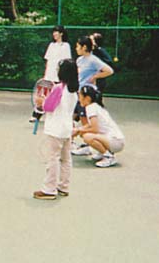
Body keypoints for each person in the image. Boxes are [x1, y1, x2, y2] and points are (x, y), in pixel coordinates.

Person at [33, 59, 79, 200]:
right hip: (67, 129)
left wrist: (41, 102)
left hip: (55, 129)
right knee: (66, 159)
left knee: (52, 158)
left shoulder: (59, 88)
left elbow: (48, 107)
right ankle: (63, 186)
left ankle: (49, 189)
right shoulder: (74, 91)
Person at [71, 36, 114, 156]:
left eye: (78, 46)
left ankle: (95, 147)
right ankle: (81, 144)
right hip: (79, 94)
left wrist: (95, 77)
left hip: (88, 96)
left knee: (87, 123)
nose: (76, 48)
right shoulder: (79, 60)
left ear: (84, 47)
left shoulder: (93, 60)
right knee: (72, 117)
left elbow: (109, 71)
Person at [72, 85, 125, 168]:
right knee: (84, 134)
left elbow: (94, 129)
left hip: (116, 142)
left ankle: (108, 157)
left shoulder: (91, 108)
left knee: (87, 136)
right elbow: (91, 125)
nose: (79, 99)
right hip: (114, 140)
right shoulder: (94, 106)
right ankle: (102, 152)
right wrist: (79, 130)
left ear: (87, 98)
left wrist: (78, 130)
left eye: (80, 96)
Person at [29, 25, 72, 123]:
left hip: (59, 76)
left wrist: (63, 74)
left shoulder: (66, 46)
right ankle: (36, 115)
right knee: (43, 95)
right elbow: (48, 61)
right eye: (53, 32)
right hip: (49, 75)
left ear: (61, 33)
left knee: (58, 96)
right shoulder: (51, 45)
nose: (54, 34)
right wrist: (46, 74)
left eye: (56, 32)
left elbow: (67, 61)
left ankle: (57, 116)